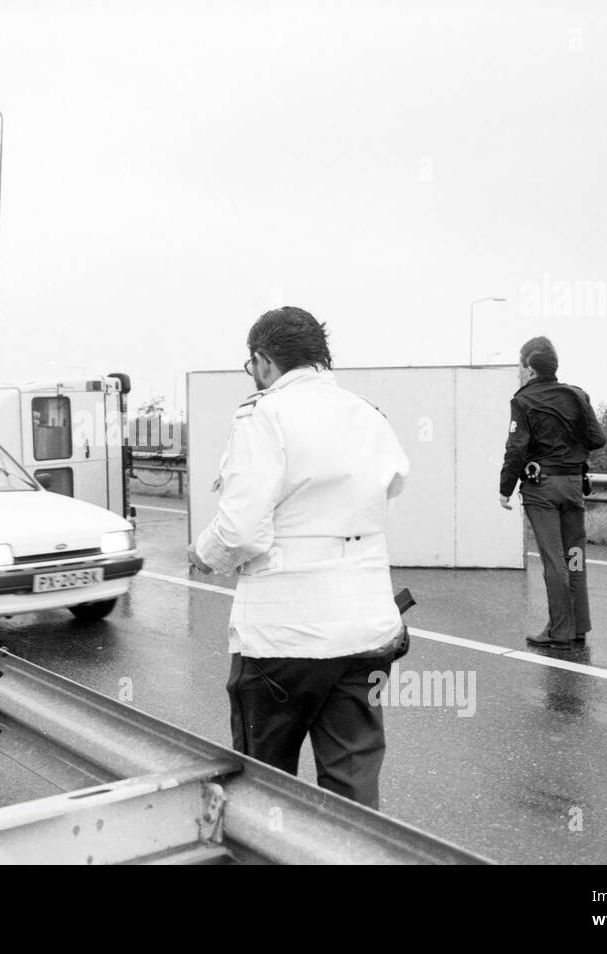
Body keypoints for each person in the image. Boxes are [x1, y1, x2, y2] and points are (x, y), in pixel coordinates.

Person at [187, 306, 410, 809]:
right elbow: (393, 484)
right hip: (367, 631)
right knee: (353, 780)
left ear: (263, 362)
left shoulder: (263, 416)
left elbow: (241, 530)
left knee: (265, 785)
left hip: (282, 640)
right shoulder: (368, 415)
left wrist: (204, 554)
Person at [498, 336, 607, 651]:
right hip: (573, 485)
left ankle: (559, 632)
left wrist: (505, 488)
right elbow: (597, 439)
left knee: (554, 559)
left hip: (542, 488)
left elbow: (516, 447)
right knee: (575, 556)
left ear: (530, 368)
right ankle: (578, 629)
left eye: (521, 366)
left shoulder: (523, 400)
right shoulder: (577, 395)